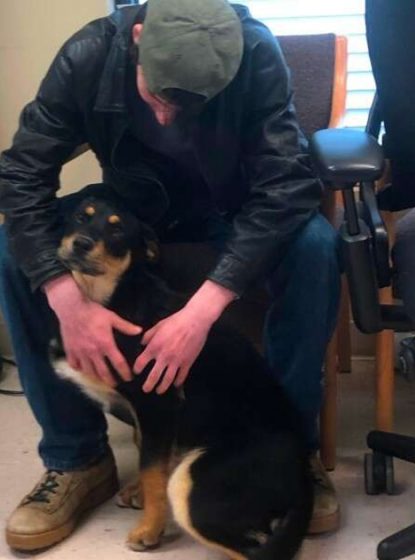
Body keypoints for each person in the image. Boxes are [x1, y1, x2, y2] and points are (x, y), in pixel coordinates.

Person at [0, 0, 341, 551]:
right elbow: (20, 176)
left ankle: (289, 452)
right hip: (134, 214)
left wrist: (202, 311)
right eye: (157, 95)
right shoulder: (88, 54)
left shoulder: (256, 53)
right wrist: (66, 297)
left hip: (232, 210)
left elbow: (285, 186)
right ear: (137, 37)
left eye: (191, 105)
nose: (166, 117)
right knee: (11, 252)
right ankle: (76, 459)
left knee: (316, 246)